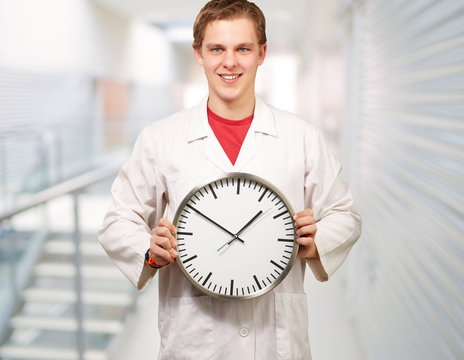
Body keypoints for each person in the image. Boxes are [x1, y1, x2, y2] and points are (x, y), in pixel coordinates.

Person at [99, 0, 362, 359]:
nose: (230, 62)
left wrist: (316, 242)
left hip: (276, 340)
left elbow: (345, 215)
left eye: (243, 48)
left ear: (262, 53)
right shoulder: (160, 138)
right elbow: (118, 220)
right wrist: (150, 250)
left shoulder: (301, 137)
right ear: (199, 54)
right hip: (193, 338)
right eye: (216, 49)